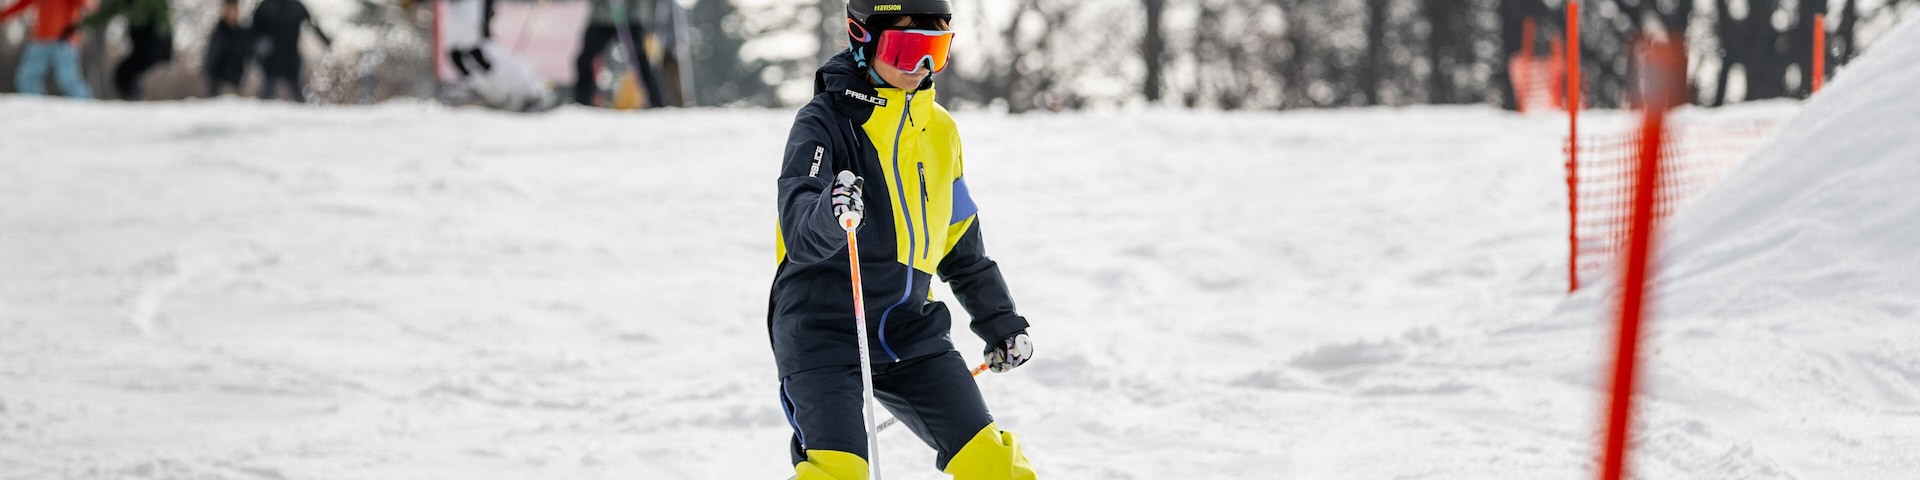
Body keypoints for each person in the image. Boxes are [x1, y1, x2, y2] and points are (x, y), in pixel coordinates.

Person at [769, 1, 1038, 478]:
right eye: (906, 48)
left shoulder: (941, 131)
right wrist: (830, 211)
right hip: (823, 334)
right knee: (839, 472)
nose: (922, 67)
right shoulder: (823, 122)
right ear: (861, 35)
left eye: (936, 50)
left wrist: (1000, 322)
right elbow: (798, 225)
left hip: (908, 331)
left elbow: (960, 245)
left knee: (994, 464)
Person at [68, 0, 170, 100]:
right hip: (140, 42)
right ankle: (132, 98)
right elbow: (103, 13)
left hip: (155, 41)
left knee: (127, 71)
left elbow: (163, 14)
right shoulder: (122, 2)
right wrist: (78, 26)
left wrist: (163, 39)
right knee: (122, 74)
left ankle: (135, 97)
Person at [570, 0, 662, 107]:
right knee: (585, 60)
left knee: (640, 62)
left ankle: (657, 102)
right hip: (602, 18)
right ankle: (582, 102)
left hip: (630, 17)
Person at [1, 0, 91, 97]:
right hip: (41, 40)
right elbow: (20, 5)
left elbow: (87, 5)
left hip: (64, 41)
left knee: (68, 79)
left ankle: (86, 105)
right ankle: (35, 106)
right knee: (27, 79)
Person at [248, 0, 329, 102]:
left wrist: (326, 41)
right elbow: (253, 31)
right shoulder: (265, 6)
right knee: (267, 93)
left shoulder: (296, 6)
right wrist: (256, 49)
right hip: (271, 58)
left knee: (297, 94)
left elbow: (312, 24)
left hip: (290, 57)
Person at [204, 0, 250, 96]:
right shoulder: (219, 32)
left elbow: (246, 54)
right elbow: (212, 57)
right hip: (219, 81)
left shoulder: (242, 33)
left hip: (236, 81)